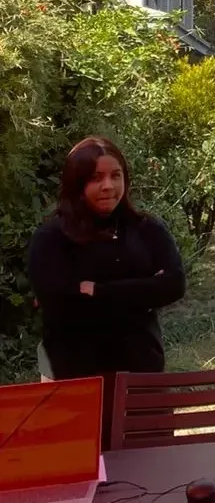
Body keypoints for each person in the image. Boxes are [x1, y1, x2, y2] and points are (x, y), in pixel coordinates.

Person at [27, 136, 186, 450]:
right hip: (78, 384)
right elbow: (61, 303)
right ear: (76, 183)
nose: (108, 186)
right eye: (96, 178)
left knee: (155, 472)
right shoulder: (52, 239)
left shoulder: (147, 229)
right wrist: (142, 291)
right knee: (90, 484)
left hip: (143, 379)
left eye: (116, 176)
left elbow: (174, 285)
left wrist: (96, 290)